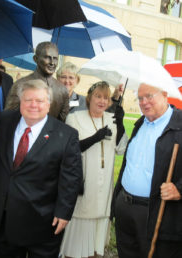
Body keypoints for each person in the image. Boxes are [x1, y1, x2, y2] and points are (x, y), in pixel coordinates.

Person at [0, 79, 82, 258]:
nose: (33, 105)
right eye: (28, 100)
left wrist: (64, 212)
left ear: (48, 104)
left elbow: (71, 178)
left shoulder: (66, 135)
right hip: (5, 220)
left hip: (43, 223)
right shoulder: (4, 121)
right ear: (20, 102)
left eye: (39, 101)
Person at [112, 83, 182, 258]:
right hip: (125, 208)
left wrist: (179, 189)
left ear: (165, 94)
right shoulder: (141, 122)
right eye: (140, 98)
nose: (144, 102)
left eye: (149, 96)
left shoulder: (179, 124)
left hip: (157, 211)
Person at [60, 81, 128, 258]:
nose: (102, 100)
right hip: (83, 181)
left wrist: (119, 124)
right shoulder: (75, 118)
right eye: (98, 96)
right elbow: (70, 150)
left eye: (106, 97)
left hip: (104, 184)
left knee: (96, 243)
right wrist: (95, 138)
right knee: (79, 228)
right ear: (89, 98)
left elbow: (121, 149)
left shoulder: (111, 119)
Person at [5, 42, 69, 122]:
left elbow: (62, 122)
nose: (52, 62)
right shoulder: (20, 85)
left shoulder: (62, 90)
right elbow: (8, 118)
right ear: (35, 59)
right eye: (47, 57)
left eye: (55, 58)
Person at [56, 62, 124, 113]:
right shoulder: (49, 99)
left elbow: (104, 114)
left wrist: (116, 96)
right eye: (63, 77)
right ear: (57, 79)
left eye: (71, 77)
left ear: (77, 81)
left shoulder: (84, 101)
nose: (67, 81)